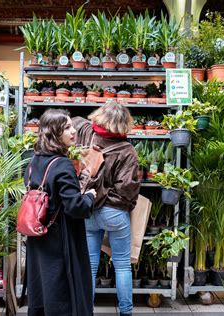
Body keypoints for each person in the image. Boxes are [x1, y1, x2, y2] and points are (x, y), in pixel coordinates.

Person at [24, 108, 97, 316]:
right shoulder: (62, 165)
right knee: (64, 292)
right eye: (67, 128)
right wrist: (89, 196)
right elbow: (75, 207)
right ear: (54, 133)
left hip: (38, 238)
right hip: (61, 240)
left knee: (44, 289)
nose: (73, 131)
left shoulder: (32, 162)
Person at [73, 103, 141, 316]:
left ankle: (87, 311)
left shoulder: (87, 136)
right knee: (122, 266)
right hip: (115, 213)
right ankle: (126, 312)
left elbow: (74, 122)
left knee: (90, 266)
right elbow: (127, 191)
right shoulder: (128, 151)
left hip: (88, 209)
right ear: (123, 124)